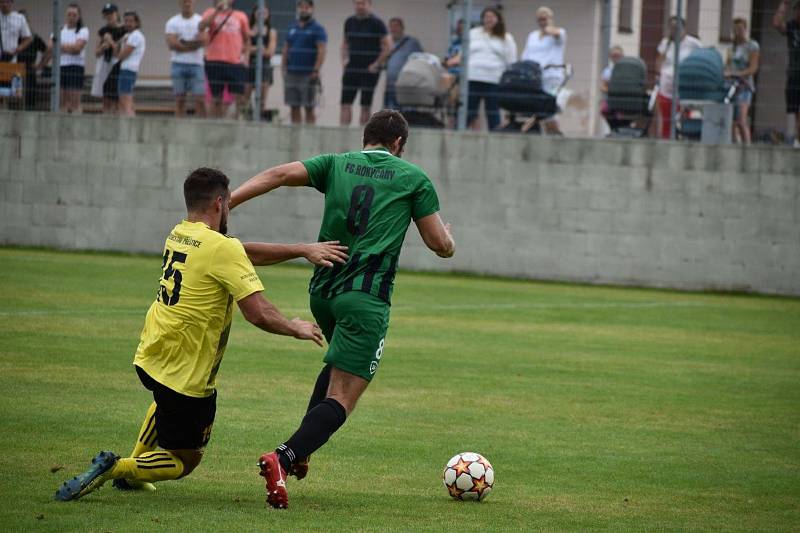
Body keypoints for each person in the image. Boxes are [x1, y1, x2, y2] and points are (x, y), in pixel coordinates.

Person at [53, 167, 348, 501]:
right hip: (187, 376)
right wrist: (294, 327)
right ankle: (119, 468)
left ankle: (132, 473)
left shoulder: (179, 233)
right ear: (220, 203)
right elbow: (258, 312)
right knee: (184, 461)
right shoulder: (221, 249)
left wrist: (300, 249)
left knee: (162, 401)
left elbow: (240, 251)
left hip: (152, 355)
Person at [229, 109, 456, 510]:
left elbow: (278, 175)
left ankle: (302, 449)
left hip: (323, 291)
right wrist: (450, 240)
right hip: (364, 299)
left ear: (365, 136)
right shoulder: (412, 178)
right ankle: (282, 457)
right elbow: (439, 245)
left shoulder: (335, 163)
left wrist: (226, 203)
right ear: (399, 144)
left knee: (335, 369)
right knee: (345, 397)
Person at [340, 0, 391, 126]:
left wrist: (376, 64)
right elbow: (345, 43)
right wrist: (344, 60)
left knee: (365, 105)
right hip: (352, 68)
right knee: (345, 103)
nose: (360, 6)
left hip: (369, 70)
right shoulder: (349, 21)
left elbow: (388, 46)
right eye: (357, 3)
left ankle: (363, 139)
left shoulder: (377, 23)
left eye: (363, 3)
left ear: (369, 5)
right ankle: (343, 135)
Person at [466, 6, 516, 131]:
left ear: (498, 19)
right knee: (468, 111)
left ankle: (495, 135)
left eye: (492, 16)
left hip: (494, 79)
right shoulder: (473, 33)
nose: (488, 19)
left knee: (493, 112)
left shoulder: (506, 37)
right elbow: (464, 53)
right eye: (486, 17)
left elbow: (511, 60)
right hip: (473, 77)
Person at [199, 0, 251, 119]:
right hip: (214, 60)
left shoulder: (241, 16)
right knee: (216, 97)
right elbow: (201, 26)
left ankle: (235, 124)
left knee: (238, 97)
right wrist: (217, 11)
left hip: (235, 62)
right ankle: (216, 125)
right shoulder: (209, 12)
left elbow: (247, 39)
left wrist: (246, 57)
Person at [521, 6, 567, 134]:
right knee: (536, 109)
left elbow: (557, 34)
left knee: (549, 110)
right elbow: (526, 55)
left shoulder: (560, 33)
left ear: (551, 19)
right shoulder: (533, 36)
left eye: (544, 19)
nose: (542, 22)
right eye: (539, 19)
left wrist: (547, 29)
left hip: (552, 77)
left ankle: (554, 134)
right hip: (535, 77)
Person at [654, 16, 702, 139]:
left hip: (684, 83)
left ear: (684, 29)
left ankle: (684, 135)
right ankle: (666, 137)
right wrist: (658, 75)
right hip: (667, 84)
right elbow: (659, 61)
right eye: (672, 28)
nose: (674, 30)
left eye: (677, 28)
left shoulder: (693, 43)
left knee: (682, 113)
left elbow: (700, 59)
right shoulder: (665, 43)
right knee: (665, 114)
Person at [283, 0, 327, 125]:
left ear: (311, 9)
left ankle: (309, 141)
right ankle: (295, 141)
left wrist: (316, 70)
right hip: (291, 73)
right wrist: (284, 67)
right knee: (293, 106)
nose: (303, 9)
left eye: (306, 7)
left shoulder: (318, 29)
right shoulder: (292, 27)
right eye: (301, 7)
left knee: (308, 107)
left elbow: (322, 50)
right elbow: (286, 48)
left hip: (308, 74)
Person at [166, 0, 206, 118]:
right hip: (178, 64)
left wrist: (182, 43)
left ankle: (201, 127)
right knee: (179, 99)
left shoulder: (200, 21)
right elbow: (171, 44)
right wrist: (193, 45)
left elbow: (203, 41)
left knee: (199, 99)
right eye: (184, 1)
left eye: (189, 1)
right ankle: (178, 126)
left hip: (197, 64)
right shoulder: (172, 22)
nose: (187, 3)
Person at [725, 18, 759, 145]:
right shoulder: (732, 47)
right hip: (731, 87)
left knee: (741, 119)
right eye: (735, 30)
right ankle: (735, 145)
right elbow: (728, 65)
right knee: (732, 121)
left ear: (745, 29)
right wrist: (727, 73)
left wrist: (736, 74)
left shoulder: (752, 46)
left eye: (740, 29)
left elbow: (753, 68)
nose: (738, 32)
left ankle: (747, 145)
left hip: (745, 86)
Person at [50, 3, 88, 114]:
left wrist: (58, 46)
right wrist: (68, 47)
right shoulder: (59, 29)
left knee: (74, 103)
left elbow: (77, 49)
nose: (71, 17)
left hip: (75, 67)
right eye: (69, 14)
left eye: (74, 15)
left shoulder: (83, 30)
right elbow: (50, 46)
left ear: (79, 16)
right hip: (60, 67)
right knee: (61, 101)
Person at [774, 0, 800, 147]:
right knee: (792, 110)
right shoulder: (792, 26)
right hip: (794, 75)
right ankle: (793, 139)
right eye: (797, 10)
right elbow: (777, 24)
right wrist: (784, 4)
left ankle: (796, 139)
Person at [245, 5, 277, 120]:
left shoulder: (271, 31)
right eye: (259, 12)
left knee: (262, 100)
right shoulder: (248, 29)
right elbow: (245, 49)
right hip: (249, 65)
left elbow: (270, 52)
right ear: (254, 14)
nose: (261, 15)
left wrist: (254, 49)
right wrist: (258, 48)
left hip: (264, 66)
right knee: (245, 98)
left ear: (268, 15)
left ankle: (260, 120)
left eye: (264, 13)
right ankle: (246, 119)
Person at [383, 17, 422, 110]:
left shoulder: (412, 42)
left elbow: (420, 60)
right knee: (390, 113)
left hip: (406, 86)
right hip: (390, 85)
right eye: (391, 27)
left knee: (407, 112)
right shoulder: (386, 43)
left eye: (396, 26)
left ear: (402, 27)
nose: (393, 29)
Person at [95, 3, 125, 114]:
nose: (109, 16)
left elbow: (120, 51)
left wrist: (111, 42)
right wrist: (103, 47)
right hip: (105, 63)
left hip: (117, 64)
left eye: (111, 13)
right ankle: (106, 114)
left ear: (116, 14)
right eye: (106, 14)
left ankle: (116, 115)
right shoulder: (103, 31)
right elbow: (96, 52)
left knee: (116, 96)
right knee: (105, 94)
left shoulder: (124, 29)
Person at [114, 11, 145, 117]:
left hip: (129, 70)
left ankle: (129, 120)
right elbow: (116, 54)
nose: (127, 23)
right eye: (126, 21)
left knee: (125, 99)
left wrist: (113, 44)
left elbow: (121, 55)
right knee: (125, 100)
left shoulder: (136, 36)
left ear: (136, 23)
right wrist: (119, 42)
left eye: (131, 21)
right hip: (125, 70)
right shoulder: (127, 35)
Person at [15, 10, 47, 110]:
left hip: (29, 69)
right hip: (15, 69)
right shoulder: (13, 37)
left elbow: (47, 51)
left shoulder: (34, 38)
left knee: (30, 96)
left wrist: (39, 65)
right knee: (15, 95)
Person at [599, 45, 624, 130]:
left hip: (625, 99)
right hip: (612, 99)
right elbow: (603, 87)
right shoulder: (608, 71)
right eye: (614, 56)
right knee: (604, 108)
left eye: (618, 56)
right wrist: (612, 91)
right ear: (610, 57)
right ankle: (614, 129)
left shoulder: (628, 70)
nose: (616, 58)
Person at [0, 0, 31, 65]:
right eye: (2, 2)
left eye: (7, 2)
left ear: (12, 2)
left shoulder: (19, 18)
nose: (4, 4)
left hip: (11, 58)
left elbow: (28, 38)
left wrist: (18, 49)